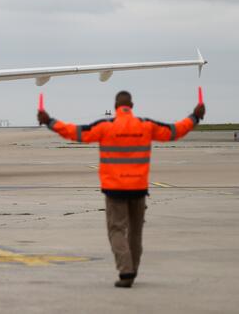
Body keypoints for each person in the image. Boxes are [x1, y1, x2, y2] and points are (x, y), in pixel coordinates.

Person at [37, 91, 206, 288]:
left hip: (115, 190)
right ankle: (132, 269)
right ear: (131, 105)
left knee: (116, 230)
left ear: (116, 106)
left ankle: (126, 270)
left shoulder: (105, 127)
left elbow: (75, 132)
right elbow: (175, 130)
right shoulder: (146, 125)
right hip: (138, 189)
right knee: (135, 232)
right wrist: (195, 116)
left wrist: (49, 121)